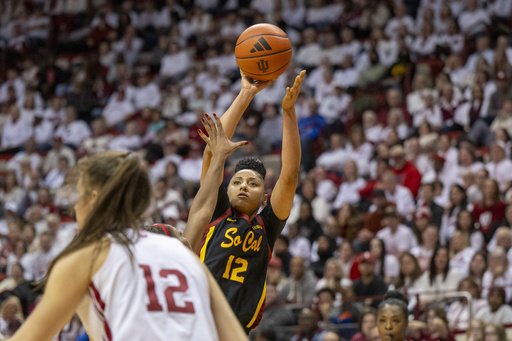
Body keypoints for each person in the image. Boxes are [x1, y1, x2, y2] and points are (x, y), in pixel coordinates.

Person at [10, 117, 248, 340]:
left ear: (94, 197)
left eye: (78, 194)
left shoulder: (85, 256)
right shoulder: (182, 255)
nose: (74, 204)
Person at [184, 70, 305, 332]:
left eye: (253, 184)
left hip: (237, 330)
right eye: (237, 182)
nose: (243, 187)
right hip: (199, 321)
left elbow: (290, 174)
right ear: (226, 190)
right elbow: (212, 152)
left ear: (265, 197)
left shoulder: (267, 225)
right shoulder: (216, 209)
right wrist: (246, 93)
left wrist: (288, 112)